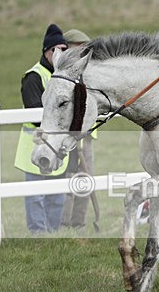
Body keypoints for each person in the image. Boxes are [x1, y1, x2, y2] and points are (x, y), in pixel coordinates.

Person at [14, 23, 69, 234]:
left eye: (65, 50)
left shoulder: (62, 77)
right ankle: (38, 233)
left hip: (56, 146)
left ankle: (52, 233)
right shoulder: (33, 77)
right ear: (47, 51)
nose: (61, 54)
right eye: (57, 49)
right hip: (35, 145)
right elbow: (35, 113)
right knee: (36, 195)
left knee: (57, 194)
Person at [60, 28, 97, 229]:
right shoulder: (61, 74)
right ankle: (63, 224)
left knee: (85, 181)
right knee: (68, 182)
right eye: (78, 48)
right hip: (65, 136)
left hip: (86, 136)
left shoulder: (88, 74)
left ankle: (79, 224)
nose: (83, 53)